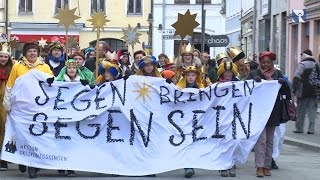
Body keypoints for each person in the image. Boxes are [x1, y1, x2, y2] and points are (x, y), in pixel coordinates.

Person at [3, 42, 53, 178]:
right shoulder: (17, 67)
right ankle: (22, 158)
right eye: (30, 51)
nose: (32, 53)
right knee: (22, 134)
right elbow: (10, 85)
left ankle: (33, 166)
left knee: (36, 136)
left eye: (34, 51)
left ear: (38, 53)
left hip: (38, 107)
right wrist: (7, 103)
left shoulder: (45, 67)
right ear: (25, 53)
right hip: (21, 107)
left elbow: (53, 84)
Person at [246, 51, 290, 177]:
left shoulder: (277, 74)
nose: (266, 65)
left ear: (272, 62)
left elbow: (286, 91)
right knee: (262, 140)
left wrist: (283, 83)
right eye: (263, 62)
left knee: (270, 140)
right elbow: (245, 88)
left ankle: (267, 166)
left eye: (268, 62)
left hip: (273, 111)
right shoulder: (254, 73)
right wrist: (253, 82)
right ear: (260, 63)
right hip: (259, 111)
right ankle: (259, 166)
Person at [175, 66, 203, 178]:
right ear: (185, 77)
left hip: (197, 120)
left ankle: (191, 164)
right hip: (183, 119)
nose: (191, 78)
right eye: (188, 75)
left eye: (193, 75)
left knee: (193, 143)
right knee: (185, 142)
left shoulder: (202, 88)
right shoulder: (179, 88)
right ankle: (188, 166)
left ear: (196, 77)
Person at [216, 61, 238, 177]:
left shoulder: (239, 85)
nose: (228, 74)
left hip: (235, 117)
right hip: (221, 118)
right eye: (226, 72)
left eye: (230, 72)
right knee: (222, 141)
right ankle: (222, 166)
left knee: (234, 141)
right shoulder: (217, 85)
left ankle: (232, 164)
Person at [292, 49, 317, 134]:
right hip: (314, 91)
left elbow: (296, 77)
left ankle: (299, 128)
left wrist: (293, 89)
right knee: (312, 111)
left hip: (302, 90)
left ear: (304, 55)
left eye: (302, 55)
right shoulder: (317, 65)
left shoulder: (301, 65)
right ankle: (311, 129)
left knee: (301, 110)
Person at [0, 43, 13, 171]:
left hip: (6, 105)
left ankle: (3, 158)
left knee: (5, 129)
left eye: (5, 57)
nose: (3, 59)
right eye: (1, 57)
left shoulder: (12, 71)